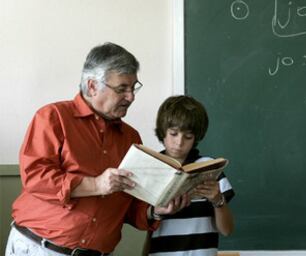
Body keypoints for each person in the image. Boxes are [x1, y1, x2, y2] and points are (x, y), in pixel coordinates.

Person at [5, 42, 189, 256]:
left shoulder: (131, 138)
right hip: (39, 248)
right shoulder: (53, 117)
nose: (131, 97)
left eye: (134, 87)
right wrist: (96, 184)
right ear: (92, 86)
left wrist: (155, 212)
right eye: (122, 89)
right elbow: (36, 178)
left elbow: (129, 206)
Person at [144, 95, 235, 256]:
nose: (179, 143)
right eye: (173, 134)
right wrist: (156, 211)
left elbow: (227, 230)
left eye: (188, 137)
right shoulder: (149, 169)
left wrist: (218, 201)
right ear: (162, 132)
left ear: (196, 138)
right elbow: (138, 227)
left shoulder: (209, 168)